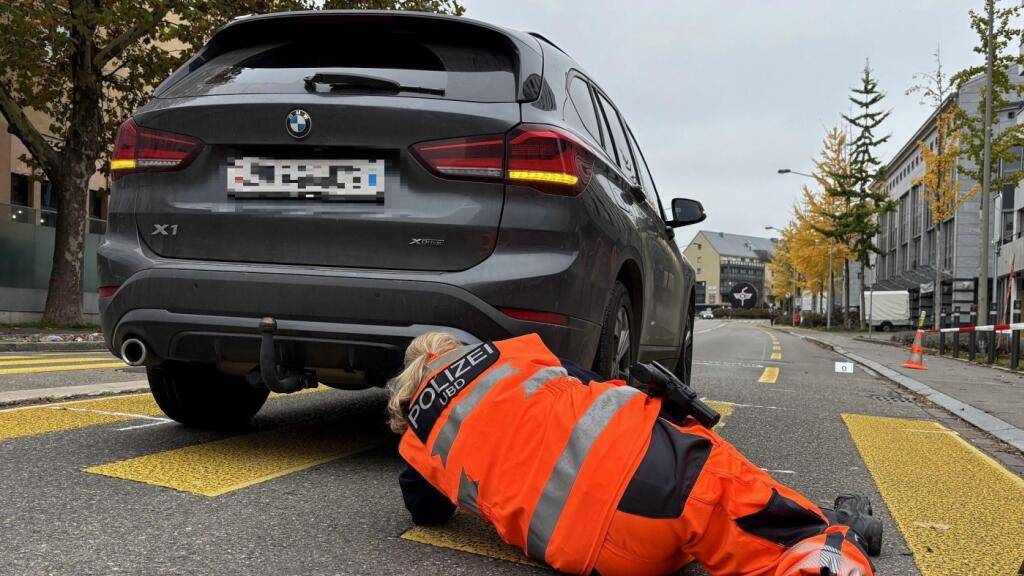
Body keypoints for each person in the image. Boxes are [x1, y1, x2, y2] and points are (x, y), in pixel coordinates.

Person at [389, 332, 879, 576]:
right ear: (458, 350)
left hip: (604, 556)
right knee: (776, 528)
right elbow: (598, 386)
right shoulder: (512, 354)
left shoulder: (419, 440)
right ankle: (834, 535)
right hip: (655, 476)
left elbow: (427, 513)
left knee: (696, 530)